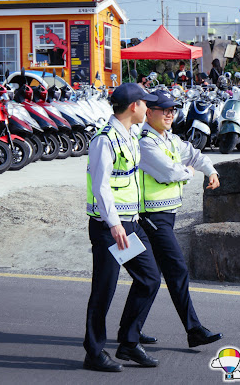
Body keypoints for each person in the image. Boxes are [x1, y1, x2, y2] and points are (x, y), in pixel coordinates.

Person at [83, 83, 162, 372]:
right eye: (145, 104)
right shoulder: (105, 140)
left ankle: (128, 342)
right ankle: (93, 352)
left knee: (149, 279)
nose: (148, 109)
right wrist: (114, 224)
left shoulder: (128, 134)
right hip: (110, 228)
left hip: (130, 223)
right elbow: (101, 186)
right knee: (104, 289)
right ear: (133, 107)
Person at [137, 90, 223, 349]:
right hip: (150, 217)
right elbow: (169, 172)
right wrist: (189, 172)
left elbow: (195, 154)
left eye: (172, 109)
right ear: (148, 112)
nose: (169, 113)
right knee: (176, 271)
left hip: (167, 216)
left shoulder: (169, 139)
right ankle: (193, 329)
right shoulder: (145, 142)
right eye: (163, 109)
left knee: (149, 278)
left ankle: (130, 330)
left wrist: (211, 170)